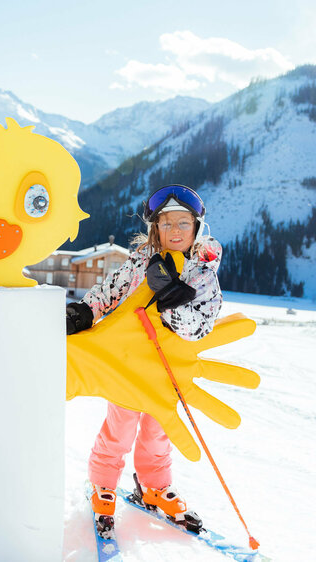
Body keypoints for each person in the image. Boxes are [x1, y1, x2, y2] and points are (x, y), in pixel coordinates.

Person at [65, 184, 222, 536]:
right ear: (155, 228)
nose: (176, 231)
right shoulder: (140, 261)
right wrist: (82, 313)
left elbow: (201, 327)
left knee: (158, 432)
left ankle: (155, 487)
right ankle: (103, 485)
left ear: (196, 227)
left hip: (167, 372)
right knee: (119, 429)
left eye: (184, 223)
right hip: (128, 364)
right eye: (167, 223)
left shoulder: (202, 273)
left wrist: (171, 301)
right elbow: (110, 292)